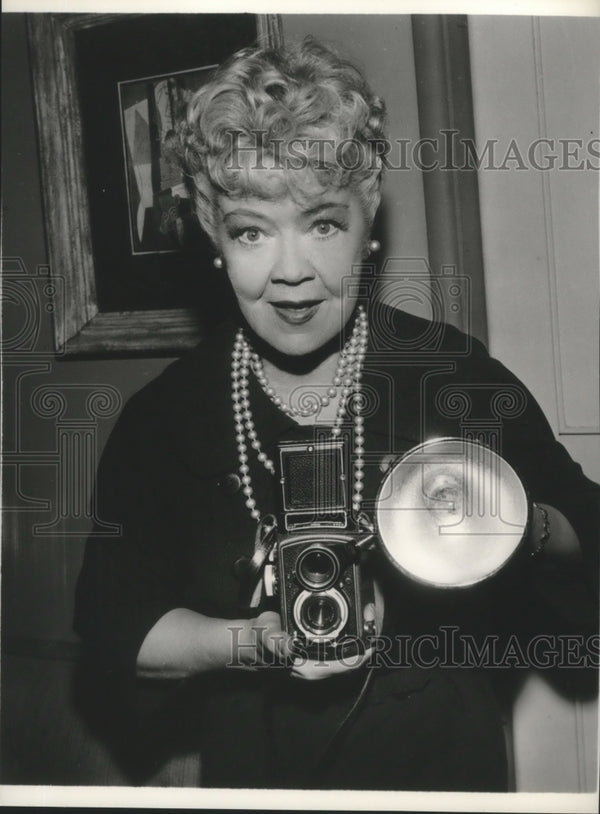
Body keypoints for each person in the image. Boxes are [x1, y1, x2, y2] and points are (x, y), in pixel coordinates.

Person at [74, 37, 599, 791]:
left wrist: (513, 520)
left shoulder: (449, 374)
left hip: (444, 766)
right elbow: (117, 632)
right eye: (251, 230)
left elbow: (587, 536)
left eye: (323, 223)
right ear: (212, 236)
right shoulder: (164, 418)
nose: (291, 270)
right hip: (259, 770)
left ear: (368, 220)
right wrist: (256, 644)